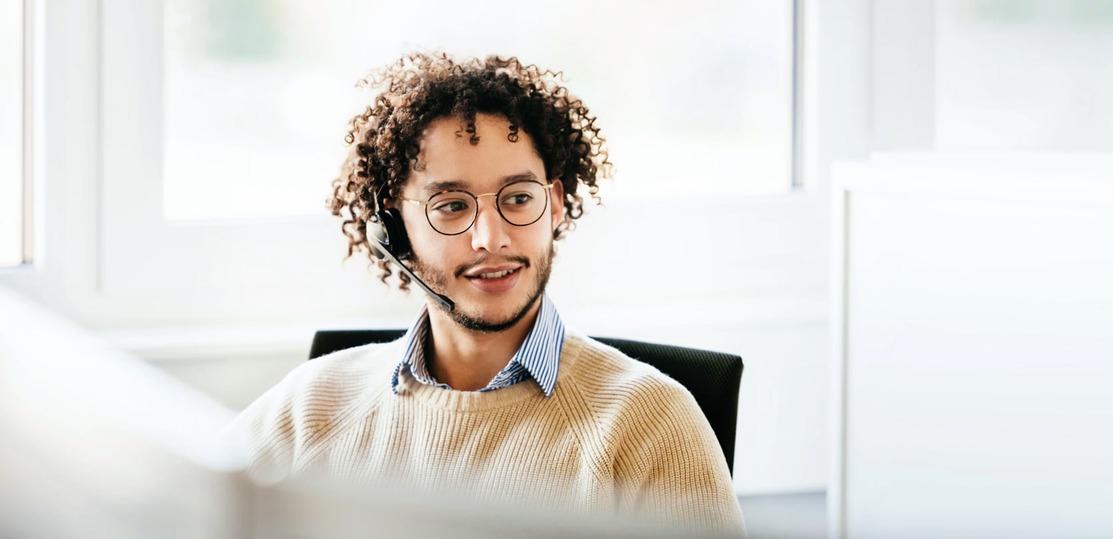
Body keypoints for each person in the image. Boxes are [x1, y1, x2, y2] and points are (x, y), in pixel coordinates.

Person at [226, 51, 744, 535]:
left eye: (518, 198)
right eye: (451, 206)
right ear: (395, 227)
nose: (491, 238)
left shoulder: (650, 424)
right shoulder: (313, 405)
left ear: (556, 204)